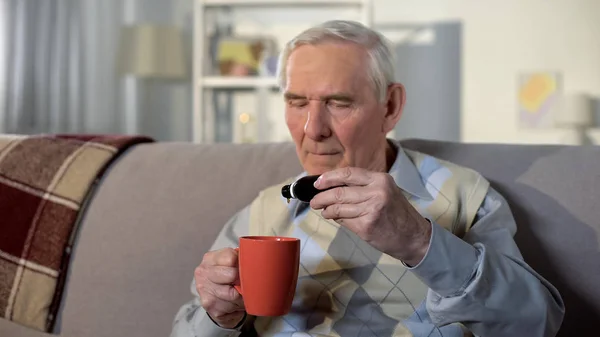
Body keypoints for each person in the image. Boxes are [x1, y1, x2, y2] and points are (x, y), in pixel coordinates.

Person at [170, 20, 565, 337]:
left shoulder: (465, 196)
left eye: (338, 103)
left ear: (390, 107)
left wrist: (418, 240)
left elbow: (536, 324)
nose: (313, 128)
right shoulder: (263, 213)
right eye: (296, 102)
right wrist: (221, 318)